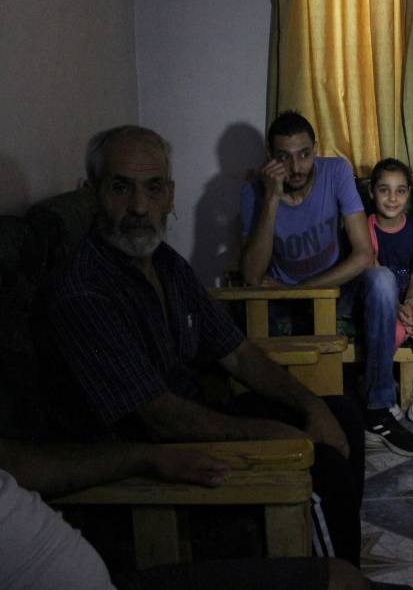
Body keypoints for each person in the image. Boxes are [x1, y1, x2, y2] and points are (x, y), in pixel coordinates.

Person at [35, 125, 364, 565]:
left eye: (153, 188)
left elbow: (238, 351)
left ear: (170, 195)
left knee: (340, 412)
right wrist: (281, 436)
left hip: (196, 424)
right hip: (157, 459)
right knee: (320, 462)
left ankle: (341, 564)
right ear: (92, 193)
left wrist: (311, 406)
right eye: (120, 188)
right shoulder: (85, 293)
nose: (139, 207)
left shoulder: (167, 265)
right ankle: (330, 573)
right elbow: (161, 420)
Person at [240, 111, 413, 456]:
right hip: (281, 300)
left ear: (316, 150)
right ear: (270, 158)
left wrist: (303, 290)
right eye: (284, 157)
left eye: (304, 154)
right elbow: (251, 276)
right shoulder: (255, 191)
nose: (296, 167)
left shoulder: (336, 172)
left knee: (382, 279)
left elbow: (363, 254)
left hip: (332, 290)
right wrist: (270, 198)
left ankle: (377, 410)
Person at [0, 439, 380, 590]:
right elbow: (156, 410)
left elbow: (235, 351)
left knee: (340, 578)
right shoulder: (83, 293)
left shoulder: (170, 272)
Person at [365, 158, 413, 424]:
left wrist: (409, 299)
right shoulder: (364, 227)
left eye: (400, 190)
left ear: (408, 193)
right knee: (393, 332)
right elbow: (369, 269)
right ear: (372, 192)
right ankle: (384, 389)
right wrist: (395, 305)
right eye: (384, 190)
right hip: (382, 305)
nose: (392, 198)